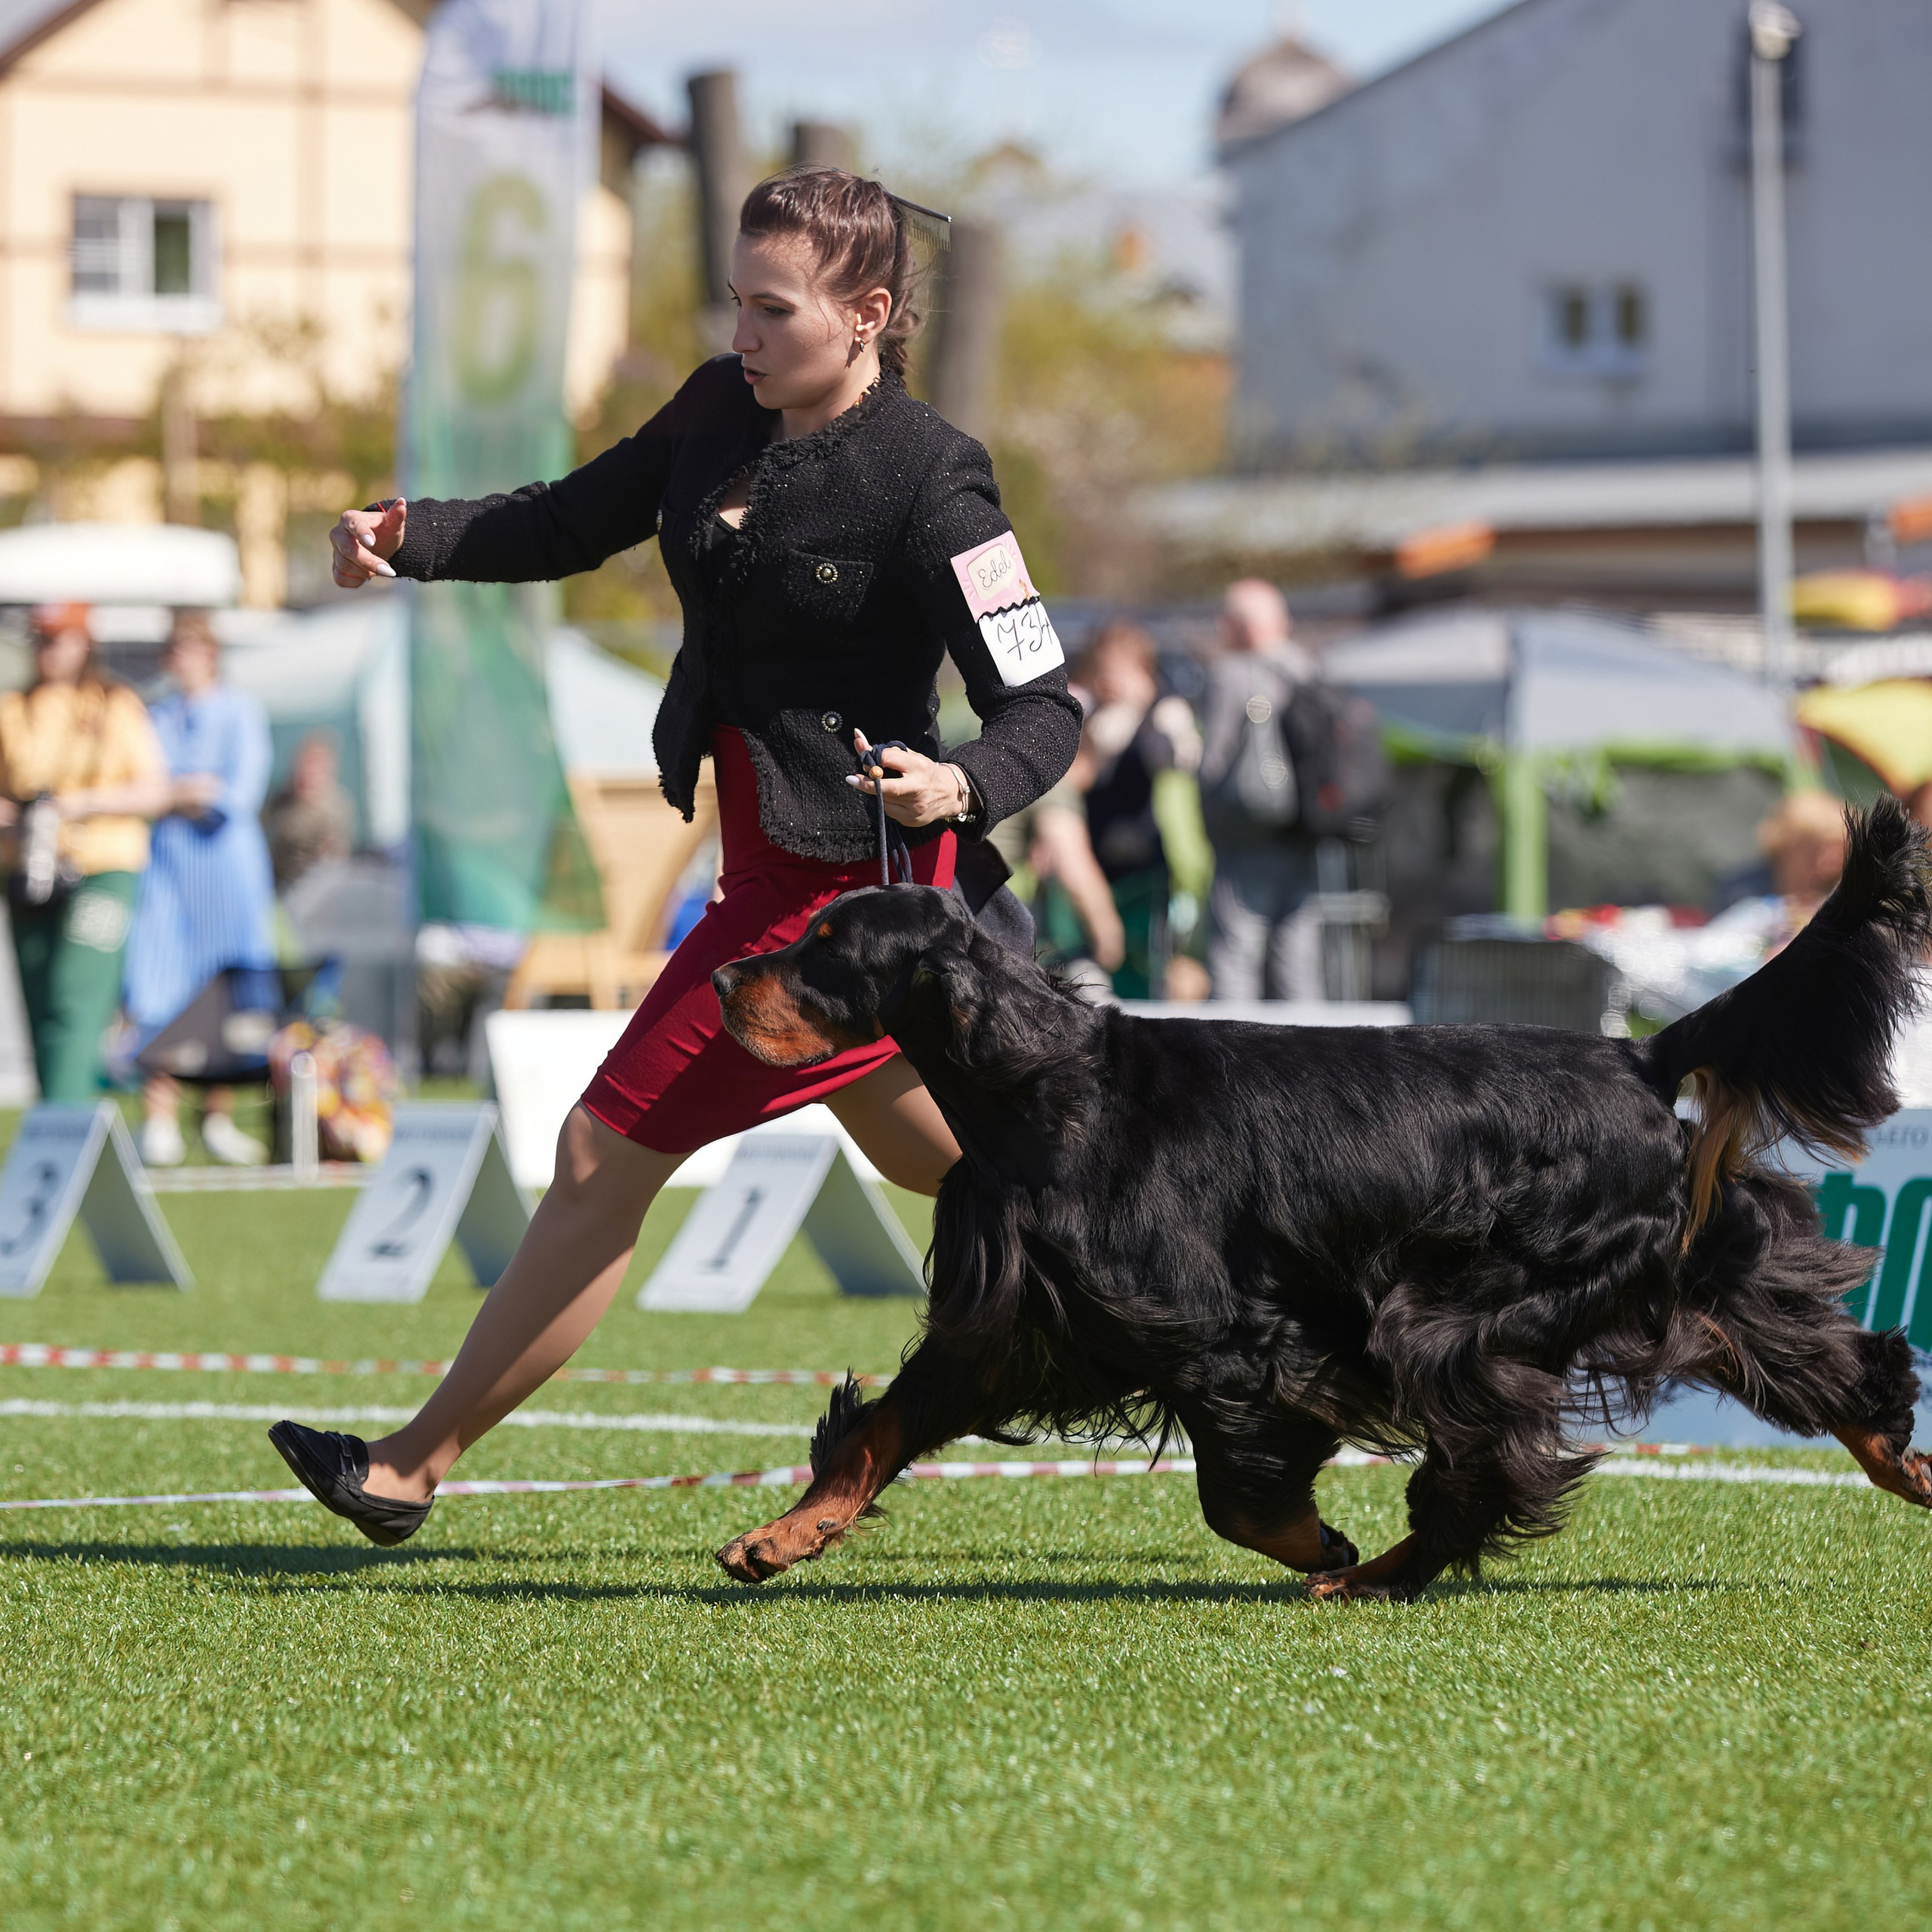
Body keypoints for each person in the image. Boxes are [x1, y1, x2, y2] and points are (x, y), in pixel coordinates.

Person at [272, 165, 1081, 1542]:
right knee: (998, 1176)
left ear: (867, 312)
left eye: (772, 309)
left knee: (603, 1154)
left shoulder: (935, 480)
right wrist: (408, 537)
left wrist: (961, 779)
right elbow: (567, 521)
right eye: (738, 303)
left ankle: (408, 1467)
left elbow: (1045, 705)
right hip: (765, 868)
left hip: (854, 907)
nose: (743, 333)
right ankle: (1226, 1294)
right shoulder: (720, 408)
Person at [124, 610, 279, 1167]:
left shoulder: (241, 712)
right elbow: (140, 786)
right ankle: (159, 1115)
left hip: (227, 869)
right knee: (158, 984)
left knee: (226, 993)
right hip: (168, 867)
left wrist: (178, 791)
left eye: (190, 648)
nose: (180, 659)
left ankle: (217, 1116)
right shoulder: (153, 715)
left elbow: (235, 793)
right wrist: (183, 790)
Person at [0, 605, 169, 1102]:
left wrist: (79, 805)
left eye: (60, 639)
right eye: (43, 640)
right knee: (39, 997)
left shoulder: (115, 704)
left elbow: (152, 791)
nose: (50, 651)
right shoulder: (14, 708)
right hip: (28, 867)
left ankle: (64, 1118)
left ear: (83, 644)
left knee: (75, 992)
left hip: (102, 867)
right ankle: (53, 1116)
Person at [1198, 580, 1328, 1001]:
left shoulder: (1232, 675)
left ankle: (1232, 1062)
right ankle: (1314, 1060)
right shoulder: (1310, 671)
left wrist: (1209, 823)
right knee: (1299, 958)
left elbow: (1213, 764)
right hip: (1304, 832)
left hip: (1246, 833)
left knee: (1235, 953)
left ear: (1239, 625)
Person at [1069, 622, 1200, 999]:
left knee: (1144, 965)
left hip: (1145, 870)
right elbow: (1078, 779)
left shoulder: (1163, 715)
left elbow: (1177, 762)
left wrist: (1147, 710)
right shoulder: (1088, 717)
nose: (1109, 680)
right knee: (1092, 962)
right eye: (1102, 670)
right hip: (1094, 866)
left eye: (1119, 670)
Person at [263, 730, 353, 894]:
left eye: (315, 766)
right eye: (304, 765)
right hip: (278, 884)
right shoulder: (281, 801)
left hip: (315, 889)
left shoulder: (336, 806)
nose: (307, 772)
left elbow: (335, 858)